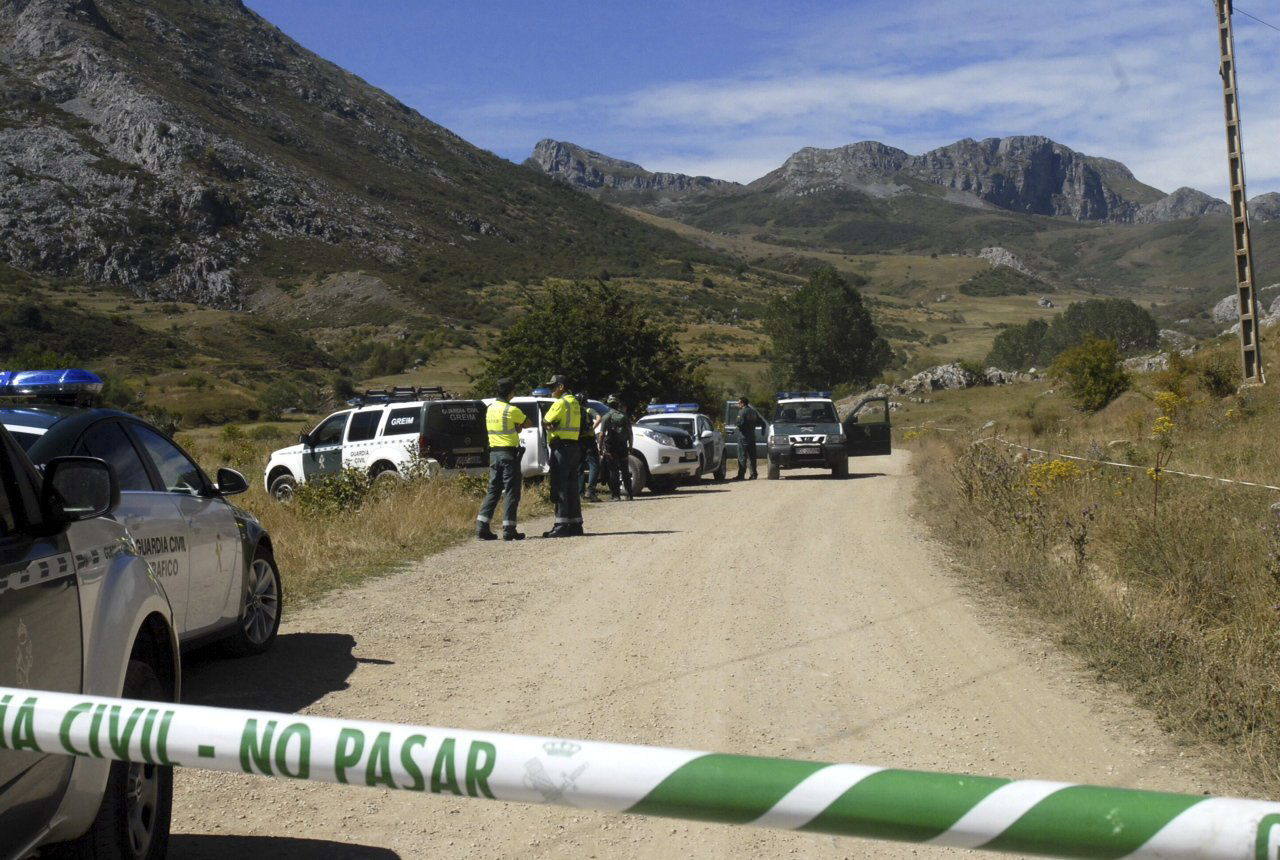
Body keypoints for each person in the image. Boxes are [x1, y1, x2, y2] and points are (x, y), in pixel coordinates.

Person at [477, 378, 532, 541]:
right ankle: (509, 529)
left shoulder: (490, 409)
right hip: (509, 455)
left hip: (494, 454)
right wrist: (518, 427)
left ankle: (482, 527)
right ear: (511, 392)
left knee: (493, 490)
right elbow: (528, 423)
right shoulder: (511, 409)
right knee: (511, 491)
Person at [542, 374, 584, 537]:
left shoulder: (560, 403)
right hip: (574, 447)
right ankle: (575, 524)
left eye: (552, 386)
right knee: (572, 486)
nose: (550, 390)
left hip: (561, 448)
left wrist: (550, 426)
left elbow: (546, 421)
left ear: (561, 387)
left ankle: (561, 525)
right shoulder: (574, 403)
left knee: (560, 486)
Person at [599, 394, 634, 501]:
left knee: (613, 471)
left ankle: (616, 495)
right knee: (625, 471)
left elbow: (601, 434)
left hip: (611, 447)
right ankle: (629, 494)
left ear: (608, 405)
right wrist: (630, 446)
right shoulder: (624, 416)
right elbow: (630, 432)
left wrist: (600, 447)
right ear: (617, 404)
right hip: (623, 446)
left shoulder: (606, 417)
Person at [577, 392, 601, 502]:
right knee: (594, 465)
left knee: (580, 467)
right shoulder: (588, 410)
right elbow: (599, 418)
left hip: (578, 440)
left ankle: (580, 494)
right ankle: (590, 491)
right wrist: (591, 428)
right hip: (589, 440)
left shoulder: (574, 412)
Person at [735, 395, 765, 480]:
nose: (738, 404)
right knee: (752, 456)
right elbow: (762, 423)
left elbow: (739, 423)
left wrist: (738, 426)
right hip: (752, 436)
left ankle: (741, 475)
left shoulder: (742, 412)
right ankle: (754, 474)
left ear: (742, 403)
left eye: (739, 403)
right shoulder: (753, 411)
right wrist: (762, 432)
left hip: (743, 436)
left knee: (742, 456)